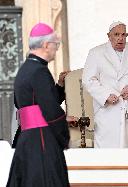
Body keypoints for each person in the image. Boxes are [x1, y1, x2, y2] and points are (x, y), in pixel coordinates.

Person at [7, 22, 76, 187]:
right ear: (46, 45)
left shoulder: (24, 70)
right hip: (42, 142)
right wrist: (64, 138)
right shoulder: (39, 71)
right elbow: (51, 111)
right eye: (55, 44)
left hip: (27, 140)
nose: (57, 48)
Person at [82, 21, 128, 148]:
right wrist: (105, 95)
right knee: (111, 151)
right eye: (117, 34)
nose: (121, 38)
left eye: (124, 35)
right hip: (109, 108)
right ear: (109, 36)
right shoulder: (96, 53)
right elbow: (88, 80)